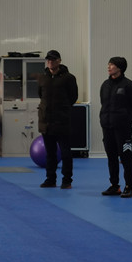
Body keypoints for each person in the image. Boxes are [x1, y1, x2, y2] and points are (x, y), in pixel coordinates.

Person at [99, 57, 132, 198]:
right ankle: (114, 186)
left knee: (126, 157)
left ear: (120, 68)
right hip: (107, 127)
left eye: (112, 65)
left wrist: (125, 120)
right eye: (109, 64)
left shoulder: (128, 85)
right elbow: (104, 104)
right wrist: (103, 119)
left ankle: (129, 187)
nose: (109, 67)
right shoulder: (105, 85)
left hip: (123, 129)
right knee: (111, 157)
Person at [37, 50, 78, 189]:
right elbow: (40, 95)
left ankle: (67, 180)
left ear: (59, 61)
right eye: (48, 60)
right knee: (50, 153)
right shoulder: (42, 78)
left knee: (66, 153)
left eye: (53, 60)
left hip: (62, 121)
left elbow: (73, 97)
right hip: (46, 122)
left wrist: (62, 109)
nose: (50, 62)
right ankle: (50, 179)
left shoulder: (69, 78)